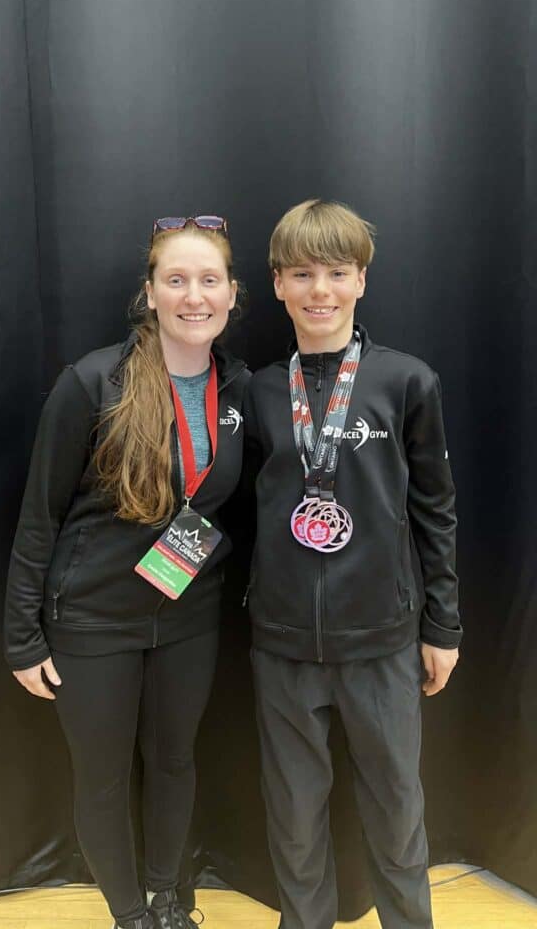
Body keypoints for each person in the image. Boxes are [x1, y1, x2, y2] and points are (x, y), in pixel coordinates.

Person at [4, 215, 250, 929]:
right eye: (176, 280)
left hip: (188, 615)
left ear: (232, 295)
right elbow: (38, 516)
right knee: (105, 778)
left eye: (209, 280)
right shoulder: (92, 382)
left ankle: (171, 899)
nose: (193, 295)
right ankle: (130, 914)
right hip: (91, 620)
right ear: (150, 293)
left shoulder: (240, 388)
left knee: (174, 762)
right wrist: (23, 635)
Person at [243, 199, 461, 929]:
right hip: (282, 643)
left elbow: (435, 510)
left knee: (398, 815)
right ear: (277, 283)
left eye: (337, 271)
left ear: (362, 279)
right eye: (302, 273)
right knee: (295, 821)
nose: (320, 290)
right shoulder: (259, 390)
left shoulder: (408, 382)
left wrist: (444, 625)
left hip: (383, 641)